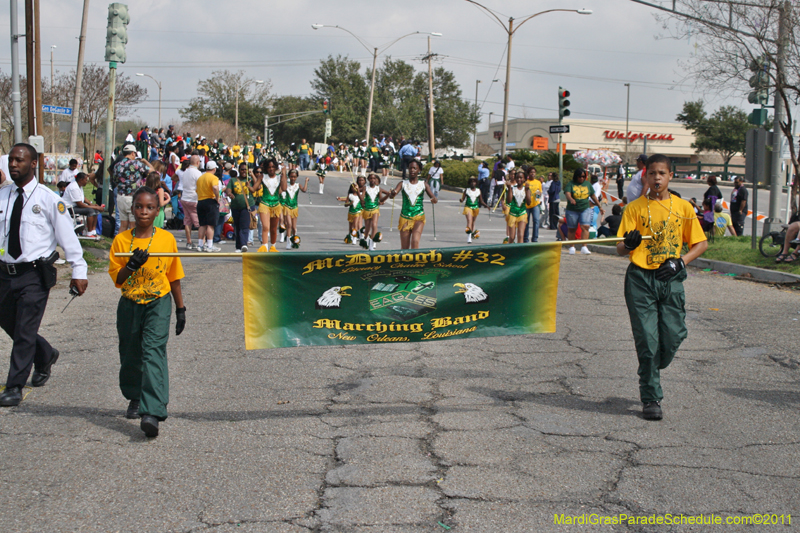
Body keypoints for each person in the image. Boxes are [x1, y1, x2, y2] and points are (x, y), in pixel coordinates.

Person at [616, 153, 707, 421]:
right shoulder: (633, 209)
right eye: (652, 173)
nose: (657, 177)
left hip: (671, 279)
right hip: (640, 280)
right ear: (645, 176)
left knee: (672, 336)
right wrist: (629, 244)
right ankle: (651, 397)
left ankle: (655, 365)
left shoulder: (683, 208)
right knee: (647, 340)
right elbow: (621, 248)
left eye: (662, 173)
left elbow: (700, 244)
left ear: (670, 176)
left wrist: (681, 262)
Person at [0, 144, 88, 407]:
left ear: (33, 164)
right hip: (4, 272)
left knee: (25, 329)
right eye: (11, 160)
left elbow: (67, 238)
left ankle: (15, 386)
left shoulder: (49, 200)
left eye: (20, 160)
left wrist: (79, 270)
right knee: (10, 324)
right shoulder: (2, 196)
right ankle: (45, 353)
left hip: (34, 274)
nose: (14, 164)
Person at [108, 186, 186, 437]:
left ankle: (152, 411)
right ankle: (135, 396)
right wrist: (130, 265)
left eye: (150, 207)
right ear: (132, 210)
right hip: (130, 302)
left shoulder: (166, 239)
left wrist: (181, 308)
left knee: (152, 351)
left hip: (158, 301)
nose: (144, 212)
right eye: (139, 207)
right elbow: (118, 279)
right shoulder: (122, 241)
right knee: (131, 353)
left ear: (157, 211)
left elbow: (173, 276)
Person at [389, 159, 438, 249]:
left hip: (419, 216)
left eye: (415, 168)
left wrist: (434, 199)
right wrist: (392, 193)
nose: (412, 170)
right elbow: (393, 194)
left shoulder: (423, 184)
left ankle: (415, 263)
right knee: (404, 247)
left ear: (419, 170)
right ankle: (406, 263)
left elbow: (433, 197)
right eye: (410, 168)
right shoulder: (403, 183)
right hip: (405, 217)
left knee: (415, 241)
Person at [112, 144, 154, 234]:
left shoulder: (117, 165)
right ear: (132, 153)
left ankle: (118, 246)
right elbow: (152, 171)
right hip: (132, 197)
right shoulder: (136, 164)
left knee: (123, 224)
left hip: (120, 197)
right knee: (133, 225)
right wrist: (145, 161)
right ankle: (132, 245)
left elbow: (115, 180)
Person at [564, 168, 604, 255]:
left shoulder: (587, 184)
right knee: (572, 228)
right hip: (572, 209)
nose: (581, 178)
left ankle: (584, 247)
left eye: (583, 177)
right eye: (580, 177)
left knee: (585, 227)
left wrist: (599, 206)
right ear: (576, 177)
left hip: (585, 208)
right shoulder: (571, 184)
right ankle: (571, 247)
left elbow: (593, 196)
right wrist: (571, 199)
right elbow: (567, 193)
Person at [254, 159, 287, 252]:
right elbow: (254, 188)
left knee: (273, 228)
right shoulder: (262, 176)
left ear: (276, 167)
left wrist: (284, 174)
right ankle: (264, 246)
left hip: (276, 205)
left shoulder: (279, 177)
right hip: (264, 204)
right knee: (265, 226)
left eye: (273, 167)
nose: (271, 169)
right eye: (269, 167)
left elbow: (284, 188)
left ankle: (273, 247)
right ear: (266, 168)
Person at [62, 172, 103, 236]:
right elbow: (80, 204)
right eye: (86, 180)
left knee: (96, 211)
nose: (87, 182)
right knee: (90, 211)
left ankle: (93, 231)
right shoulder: (74, 187)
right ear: (81, 180)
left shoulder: (79, 186)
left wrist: (91, 204)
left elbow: (83, 197)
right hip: (69, 208)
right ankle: (89, 233)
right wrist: (94, 207)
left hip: (75, 206)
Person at [195, 161, 221, 253]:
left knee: (202, 224)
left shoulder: (200, 178)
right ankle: (209, 245)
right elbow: (215, 187)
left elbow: (196, 190)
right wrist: (217, 197)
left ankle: (200, 245)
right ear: (214, 169)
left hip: (200, 201)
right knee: (210, 224)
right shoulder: (214, 178)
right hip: (210, 201)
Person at [177, 155, 202, 250]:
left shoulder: (185, 172)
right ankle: (201, 242)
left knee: (187, 221)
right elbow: (200, 186)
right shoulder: (198, 173)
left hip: (184, 198)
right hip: (193, 199)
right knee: (199, 223)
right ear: (197, 162)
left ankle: (189, 242)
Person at [360, 173, 390, 250]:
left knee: (374, 225)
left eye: (374, 178)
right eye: (371, 178)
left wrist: (387, 195)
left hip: (375, 209)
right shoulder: (365, 188)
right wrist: (358, 193)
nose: (373, 180)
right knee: (367, 228)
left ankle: (372, 243)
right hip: (367, 209)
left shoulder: (378, 188)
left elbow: (381, 199)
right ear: (368, 179)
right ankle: (365, 239)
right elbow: (362, 197)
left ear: (376, 180)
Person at [281, 169, 309, 249]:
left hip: (294, 207)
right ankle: (288, 242)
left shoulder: (297, 185)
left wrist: (306, 181)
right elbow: (281, 189)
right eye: (291, 176)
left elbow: (304, 190)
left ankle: (294, 241)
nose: (293, 178)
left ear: (296, 177)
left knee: (293, 227)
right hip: (287, 206)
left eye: (294, 177)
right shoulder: (286, 185)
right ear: (289, 177)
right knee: (289, 224)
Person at [225, 170, 252, 253]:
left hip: (246, 207)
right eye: (242, 169)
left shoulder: (250, 180)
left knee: (244, 226)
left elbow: (256, 188)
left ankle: (244, 244)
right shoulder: (233, 180)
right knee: (237, 226)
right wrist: (229, 193)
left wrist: (252, 175)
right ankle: (238, 246)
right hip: (235, 207)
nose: (244, 171)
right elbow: (228, 189)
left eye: (245, 169)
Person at [460, 176, 489, 244]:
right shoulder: (467, 190)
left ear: (476, 183)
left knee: (473, 222)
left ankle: (472, 234)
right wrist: (461, 200)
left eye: (474, 182)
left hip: (476, 208)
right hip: (468, 207)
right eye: (471, 182)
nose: (473, 183)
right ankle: (469, 236)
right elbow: (463, 199)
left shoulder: (478, 190)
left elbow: (481, 201)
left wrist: (486, 206)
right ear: (469, 183)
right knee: (469, 220)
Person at [506, 171, 531, 243]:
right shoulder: (513, 188)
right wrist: (509, 188)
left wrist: (526, 191)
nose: (519, 179)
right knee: (512, 236)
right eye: (517, 178)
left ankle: (520, 252)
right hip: (512, 213)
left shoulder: (526, 189)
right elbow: (509, 201)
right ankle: (510, 251)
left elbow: (529, 203)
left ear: (524, 179)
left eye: (521, 178)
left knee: (520, 235)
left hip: (522, 213)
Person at [523, 167, 542, 243]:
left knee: (536, 221)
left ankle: (535, 239)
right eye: (531, 172)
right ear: (528, 173)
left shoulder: (538, 182)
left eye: (534, 172)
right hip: (526, 205)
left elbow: (539, 192)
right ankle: (525, 239)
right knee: (526, 222)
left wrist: (538, 195)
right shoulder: (525, 182)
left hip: (535, 204)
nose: (533, 174)